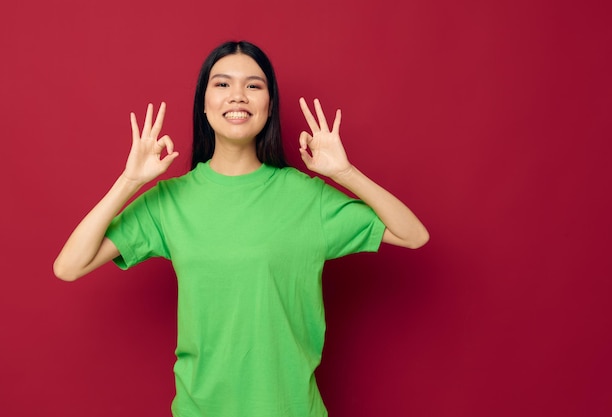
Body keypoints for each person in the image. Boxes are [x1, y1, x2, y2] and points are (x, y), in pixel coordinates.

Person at [54, 40, 429, 417]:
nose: (237, 96)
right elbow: (69, 266)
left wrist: (344, 173)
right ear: (204, 103)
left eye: (253, 85)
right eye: (222, 84)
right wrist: (129, 181)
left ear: (269, 105)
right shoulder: (171, 200)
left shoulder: (306, 197)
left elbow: (413, 235)